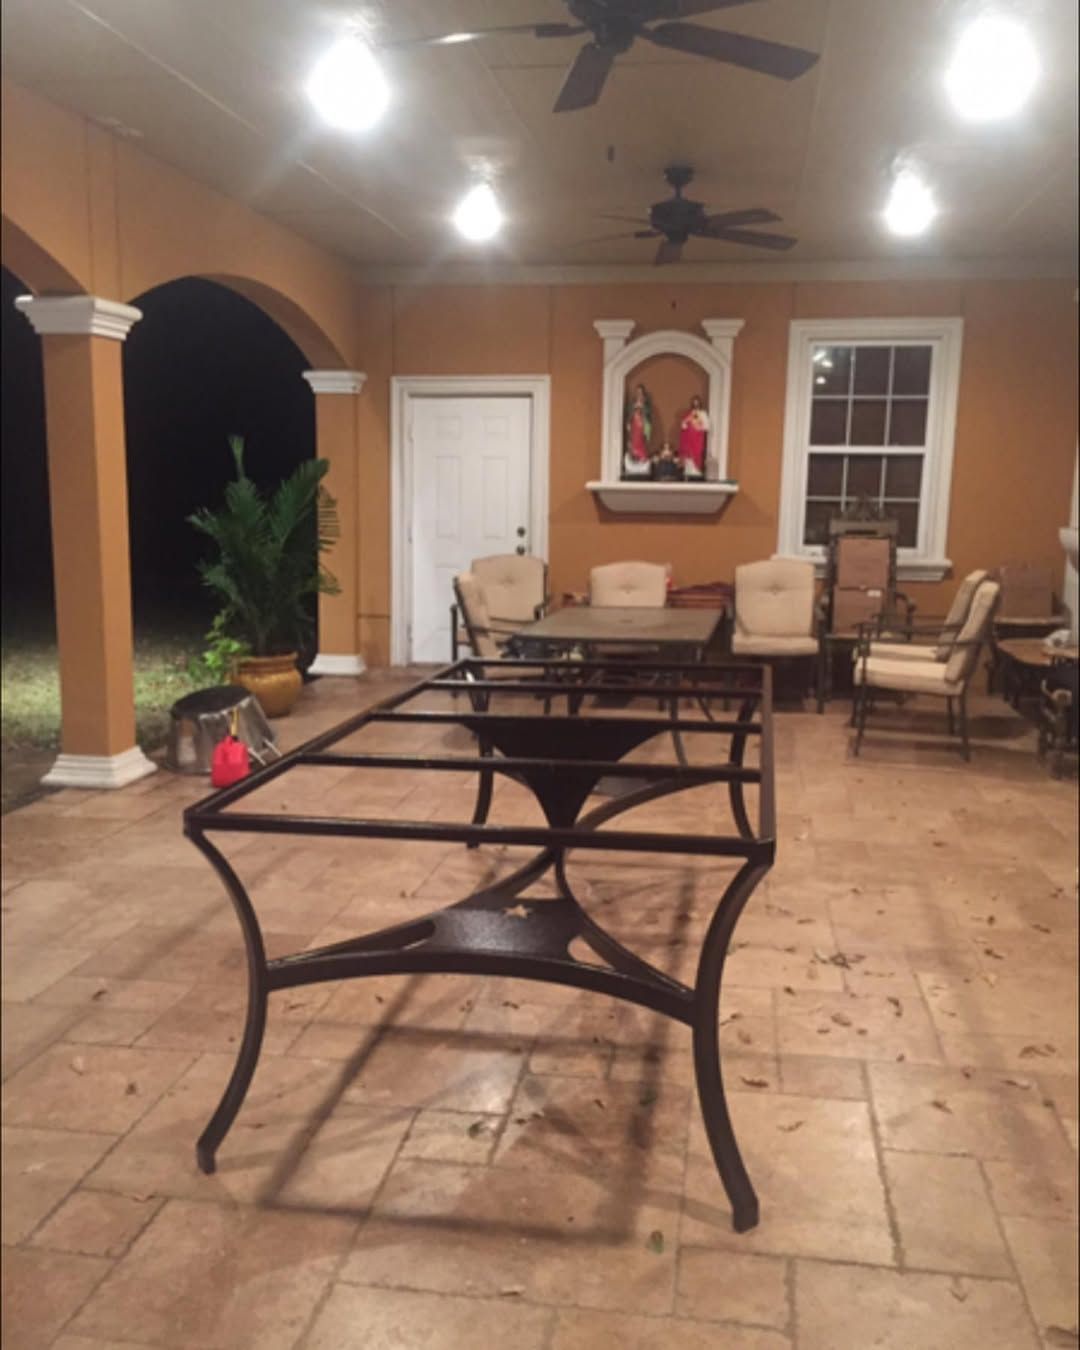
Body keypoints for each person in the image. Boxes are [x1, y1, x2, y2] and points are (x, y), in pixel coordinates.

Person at [623, 383, 653, 477]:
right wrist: (628, 422)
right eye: (637, 392)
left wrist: (642, 408)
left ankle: (642, 457)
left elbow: (648, 415)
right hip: (634, 425)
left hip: (642, 425)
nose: (639, 393)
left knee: (641, 441)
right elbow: (629, 414)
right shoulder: (633, 403)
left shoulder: (646, 404)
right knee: (634, 441)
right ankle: (634, 457)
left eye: (640, 392)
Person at [678, 394, 710, 478]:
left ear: (699, 404)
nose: (696, 405)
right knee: (689, 456)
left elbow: (706, 427)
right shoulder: (689, 414)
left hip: (698, 438)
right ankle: (689, 471)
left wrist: (698, 426)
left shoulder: (703, 414)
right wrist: (687, 420)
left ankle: (696, 471)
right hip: (689, 439)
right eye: (694, 403)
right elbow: (683, 425)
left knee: (697, 454)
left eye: (697, 403)